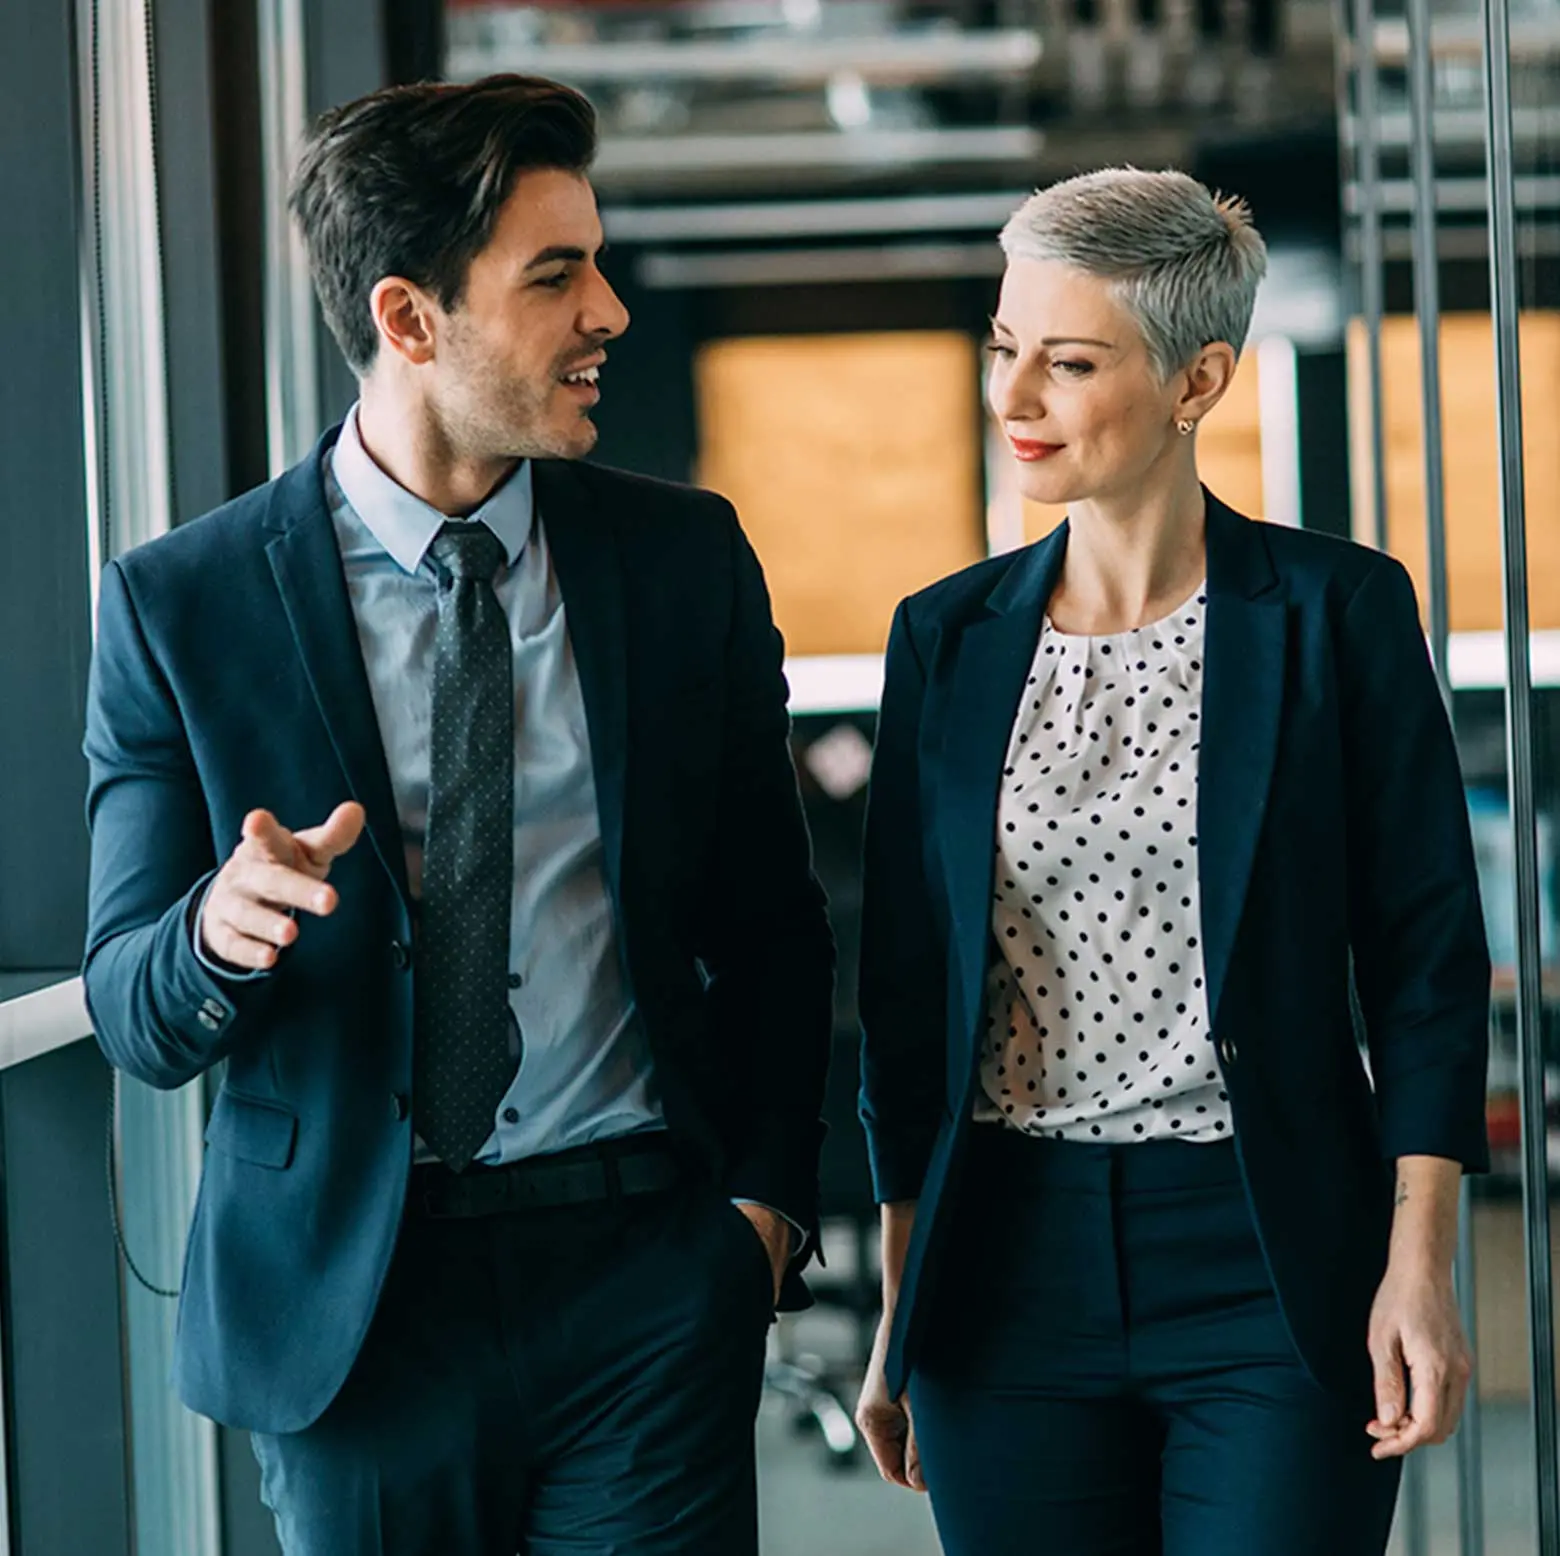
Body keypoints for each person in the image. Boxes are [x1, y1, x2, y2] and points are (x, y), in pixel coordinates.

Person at [82, 74, 834, 1556]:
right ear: (410, 319)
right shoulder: (186, 604)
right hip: (355, 1313)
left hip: (642, 1281)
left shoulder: (681, 563)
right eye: (556, 276)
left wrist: (761, 1217)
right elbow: (130, 1007)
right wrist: (218, 933)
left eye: (596, 262)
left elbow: (774, 923)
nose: (608, 311)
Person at [852, 168, 1489, 1555]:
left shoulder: (1337, 613)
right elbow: (909, 1004)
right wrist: (902, 1293)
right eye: (1004, 348)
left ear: (1197, 379)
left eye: (1068, 363)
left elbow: (1428, 966)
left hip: (1268, 1251)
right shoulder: (942, 639)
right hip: (1006, 1263)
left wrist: (1419, 1266)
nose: (1014, 399)